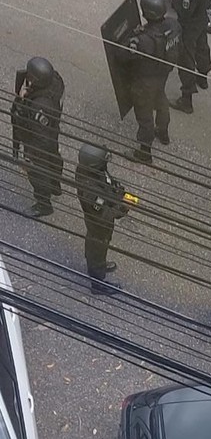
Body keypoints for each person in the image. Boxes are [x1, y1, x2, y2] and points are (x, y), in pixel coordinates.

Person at [118, 0, 181, 164]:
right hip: (163, 74)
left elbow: (121, 55)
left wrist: (132, 39)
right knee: (161, 100)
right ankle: (163, 132)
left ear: (146, 13)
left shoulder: (144, 41)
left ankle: (144, 153)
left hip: (145, 80)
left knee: (144, 114)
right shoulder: (173, 26)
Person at [11, 57, 65, 218]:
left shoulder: (39, 107)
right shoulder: (56, 81)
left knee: (37, 172)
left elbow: (40, 138)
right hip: (51, 129)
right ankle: (55, 185)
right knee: (53, 157)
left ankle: (43, 204)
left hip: (38, 139)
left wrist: (30, 157)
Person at [75, 144, 132, 295]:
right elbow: (103, 214)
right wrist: (123, 207)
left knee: (102, 243)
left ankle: (97, 265)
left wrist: (118, 192)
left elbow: (107, 183)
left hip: (101, 223)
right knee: (97, 245)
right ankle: (98, 283)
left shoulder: (93, 170)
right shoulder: (90, 191)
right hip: (98, 223)